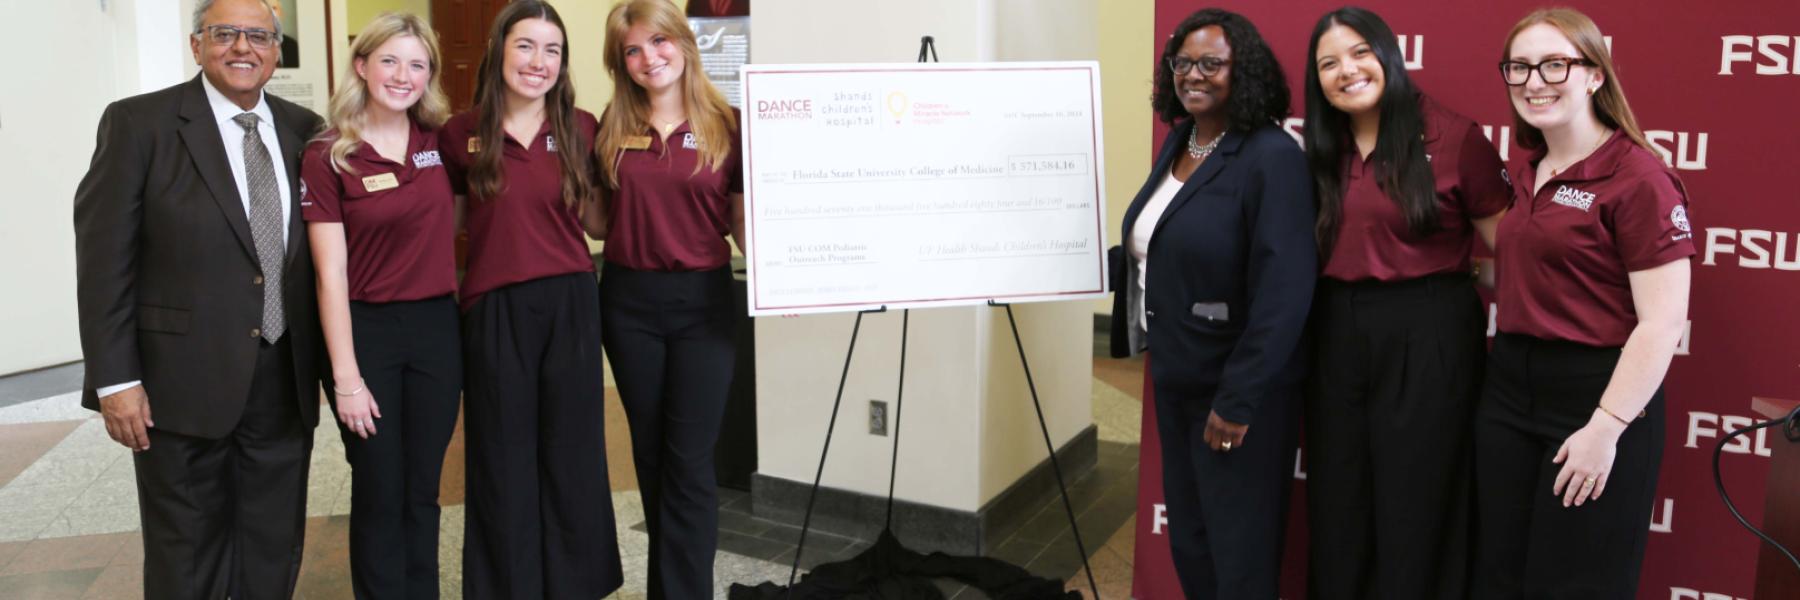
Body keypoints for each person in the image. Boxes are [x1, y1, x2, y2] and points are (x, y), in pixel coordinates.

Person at [72, 0, 323, 597]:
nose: (243, 47)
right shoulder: (139, 124)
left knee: (272, 543)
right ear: (196, 45)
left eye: (258, 36)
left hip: (283, 378)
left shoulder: (305, 130)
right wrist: (115, 380)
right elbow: (104, 262)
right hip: (176, 386)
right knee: (185, 552)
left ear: (276, 51)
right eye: (225, 33)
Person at [1475, 8, 1693, 598]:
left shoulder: (1638, 177)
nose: (1533, 81)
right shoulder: (1529, 170)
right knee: (1498, 577)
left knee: (1575, 585)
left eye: (1554, 64)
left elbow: (1663, 319)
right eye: (1518, 67)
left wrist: (1606, 427)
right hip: (1508, 390)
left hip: (1596, 395)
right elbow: (1548, 271)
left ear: (1594, 75)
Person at [1298, 7, 1510, 599]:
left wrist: (1463, 272)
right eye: (1329, 63)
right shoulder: (1318, 146)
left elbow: (1516, 254)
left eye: (1361, 52)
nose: (1348, 70)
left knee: (1417, 500)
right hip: (1334, 329)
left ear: (1390, 54)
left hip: (1429, 330)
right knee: (1339, 497)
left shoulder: (1454, 136)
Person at [1108, 8, 1315, 598]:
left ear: (1242, 70)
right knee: (1193, 541)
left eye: (1211, 63)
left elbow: (1285, 289)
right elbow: (1165, 241)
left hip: (1236, 393)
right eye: (1182, 62)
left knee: (1239, 552)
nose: (1192, 74)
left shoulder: (1271, 155)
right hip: (1176, 376)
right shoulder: (1183, 139)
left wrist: (1239, 399)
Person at [438, 2, 624, 597]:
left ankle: (574, 585)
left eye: (552, 50)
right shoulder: (459, 133)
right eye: (525, 46)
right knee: (500, 458)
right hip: (493, 309)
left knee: (572, 456)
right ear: (497, 50)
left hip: (570, 303)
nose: (538, 62)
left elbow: (598, 225)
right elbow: (443, 231)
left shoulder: (583, 128)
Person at [300, 12, 458, 599]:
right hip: (366, 334)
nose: (402, 75)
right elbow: (329, 274)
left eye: (417, 64)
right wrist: (345, 378)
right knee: (379, 487)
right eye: (389, 60)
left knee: (423, 488)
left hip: (438, 329)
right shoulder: (329, 154)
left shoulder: (436, 141)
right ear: (361, 65)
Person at [589, 1, 745, 597]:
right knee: (652, 457)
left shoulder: (725, 124)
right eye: (632, 49)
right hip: (628, 303)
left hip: (701, 303)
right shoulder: (611, 124)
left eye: (659, 42)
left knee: (690, 461)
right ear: (621, 62)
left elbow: (740, 228)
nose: (649, 57)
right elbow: (601, 224)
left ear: (683, 43)